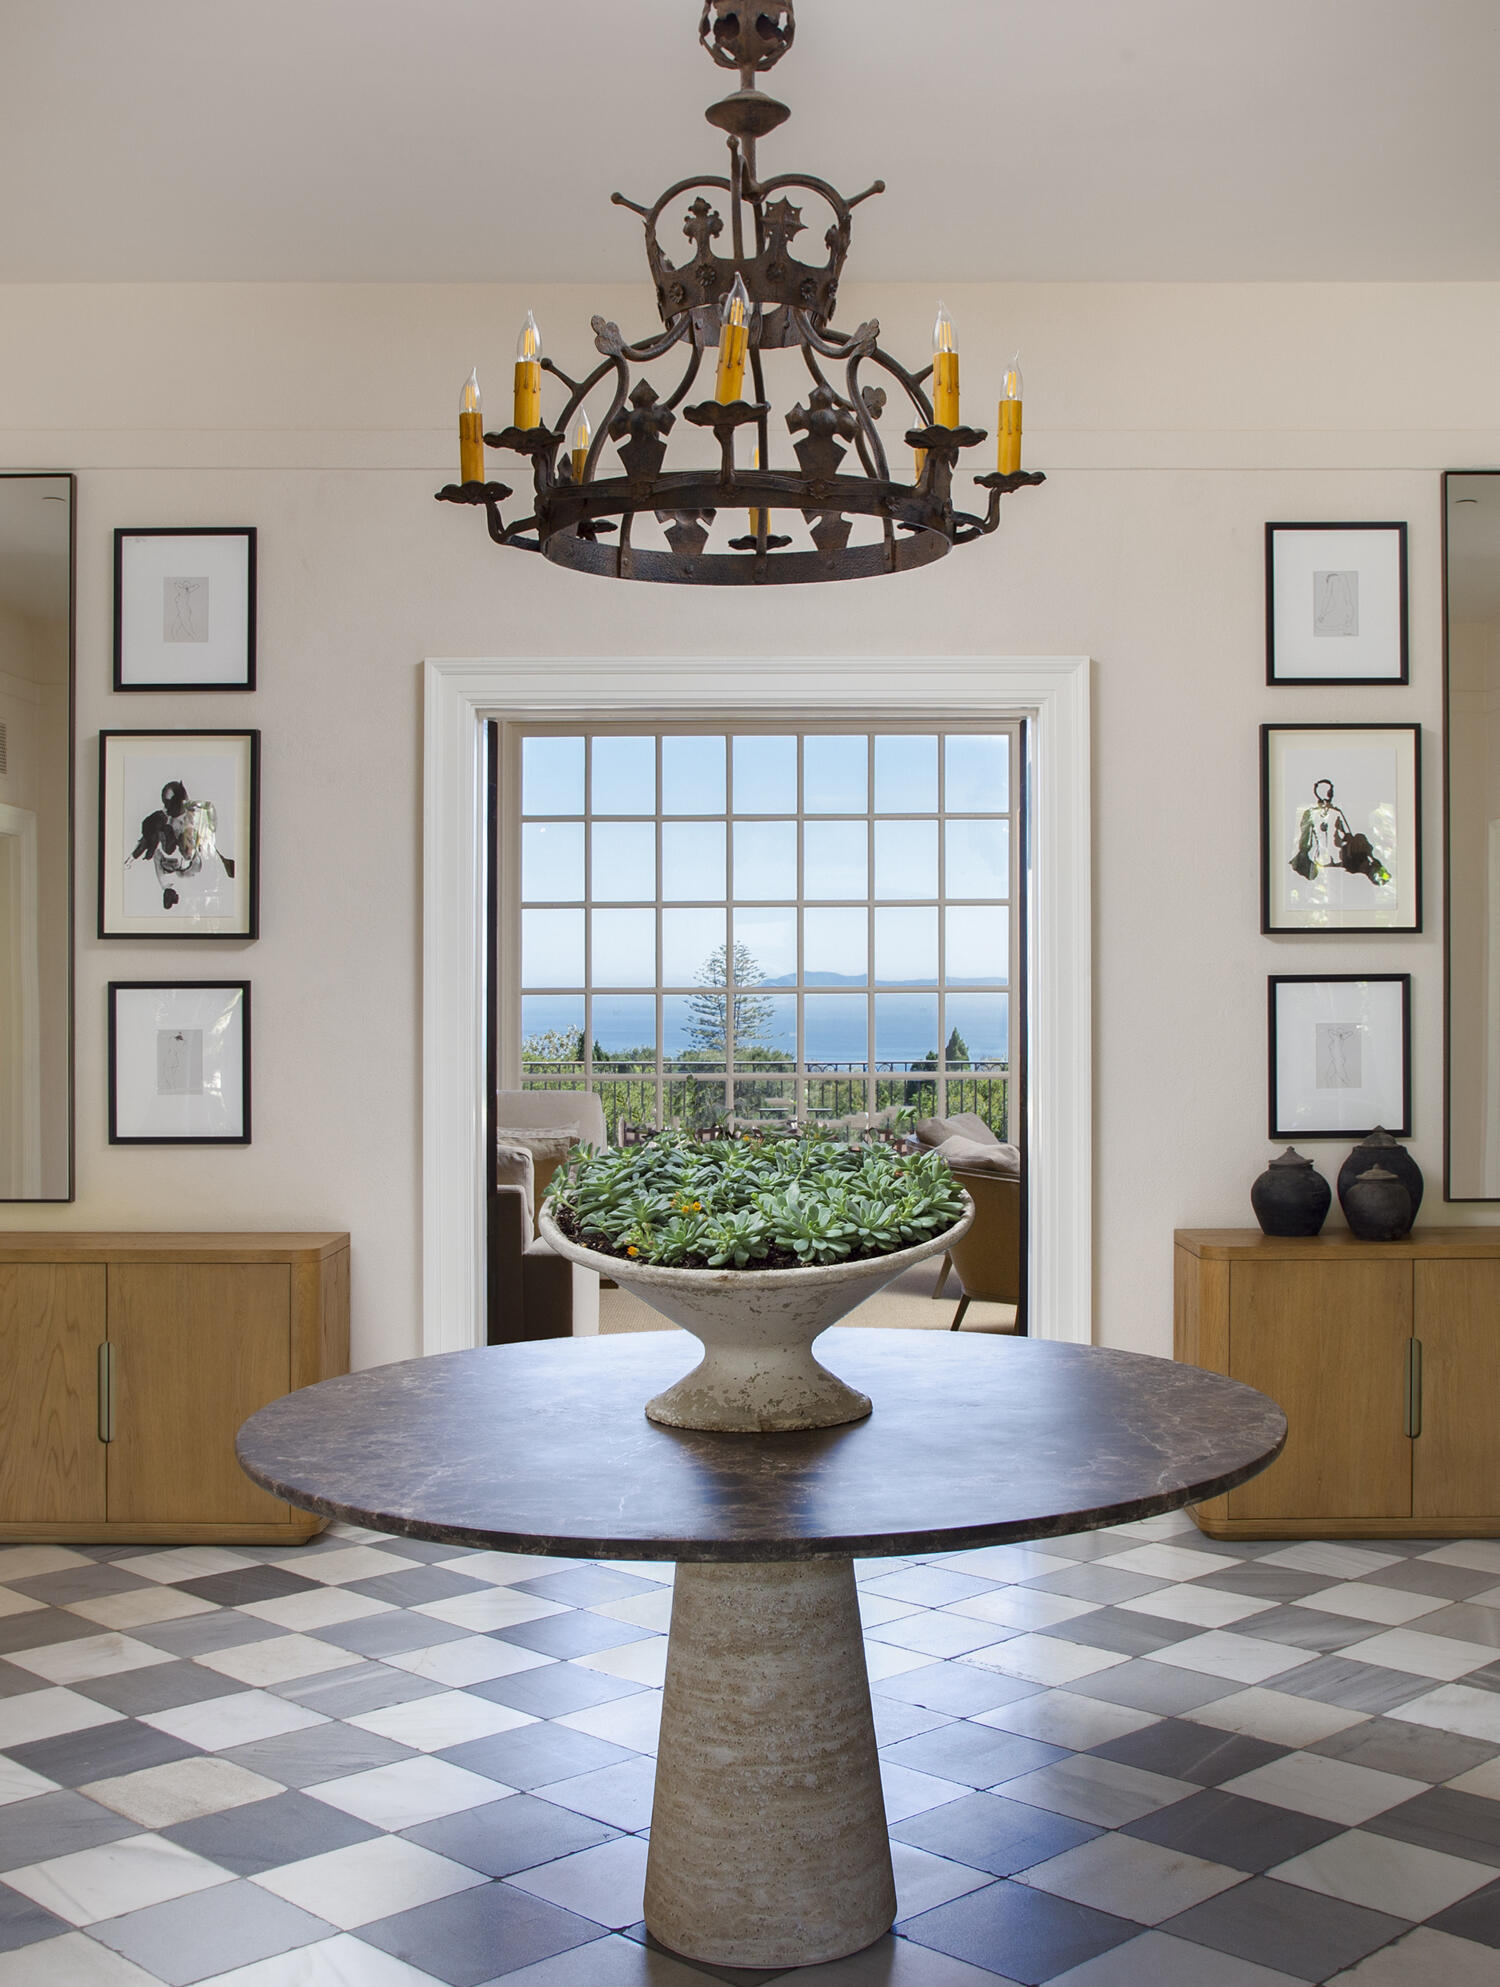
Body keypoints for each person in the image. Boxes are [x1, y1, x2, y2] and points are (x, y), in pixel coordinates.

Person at [126, 779, 235, 911]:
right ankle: (168, 890)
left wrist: (212, 839)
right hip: (174, 864)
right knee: (160, 841)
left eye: (168, 805)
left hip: (192, 862)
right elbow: (146, 840)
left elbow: (209, 816)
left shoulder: (192, 814)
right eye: (165, 804)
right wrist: (130, 859)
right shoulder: (165, 818)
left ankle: (178, 870)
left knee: (187, 832)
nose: (165, 808)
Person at [1289, 778, 1390, 887]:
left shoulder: (1336, 813)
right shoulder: (1311, 814)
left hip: (1340, 864)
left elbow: (1348, 836)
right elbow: (1305, 839)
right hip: (1325, 864)